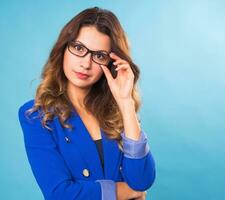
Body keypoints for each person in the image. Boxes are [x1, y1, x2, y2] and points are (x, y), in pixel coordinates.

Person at [18, 6, 156, 200]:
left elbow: (142, 180)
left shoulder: (117, 112)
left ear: (110, 63)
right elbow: (60, 194)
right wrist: (125, 191)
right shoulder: (37, 115)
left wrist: (125, 103)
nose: (85, 63)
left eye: (99, 56)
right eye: (79, 48)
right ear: (64, 48)